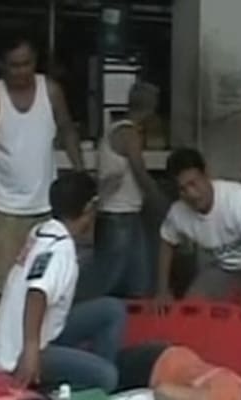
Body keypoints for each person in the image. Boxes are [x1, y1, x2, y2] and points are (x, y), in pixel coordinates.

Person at [0, 172, 126, 393]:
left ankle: (87, 377)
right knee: (108, 377)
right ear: (89, 209)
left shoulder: (42, 230)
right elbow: (36, 293)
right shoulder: (59, 249)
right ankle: (72, 396)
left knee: (111, 310)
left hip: (41, 332)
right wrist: (31, 351)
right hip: (20, 355)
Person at [0, 35, 84, 295]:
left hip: (46, 206)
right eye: (14, 65)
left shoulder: (51, 91)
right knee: (3, 284)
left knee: (45, 281)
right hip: (3, 209)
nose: (21, 71)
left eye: (27, 63)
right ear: (2, 65)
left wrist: (81, 175)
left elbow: (67, 130)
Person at [156, 148, 241, 315]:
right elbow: (166, 242)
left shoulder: (238, 199)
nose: (191, 194)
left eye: (194, 183)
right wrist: (162, 290)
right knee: (192, 307)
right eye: (183, 189)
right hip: (227, 267)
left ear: (206, 175)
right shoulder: (178, 212)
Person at [78, 81, 167, 300]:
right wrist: (159, 199)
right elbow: (139, 170)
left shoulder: (114, 128)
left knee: (137, 276)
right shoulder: (129, 133)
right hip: (120, 213)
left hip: (123, 213)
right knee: (110, 276)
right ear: (151, 106)